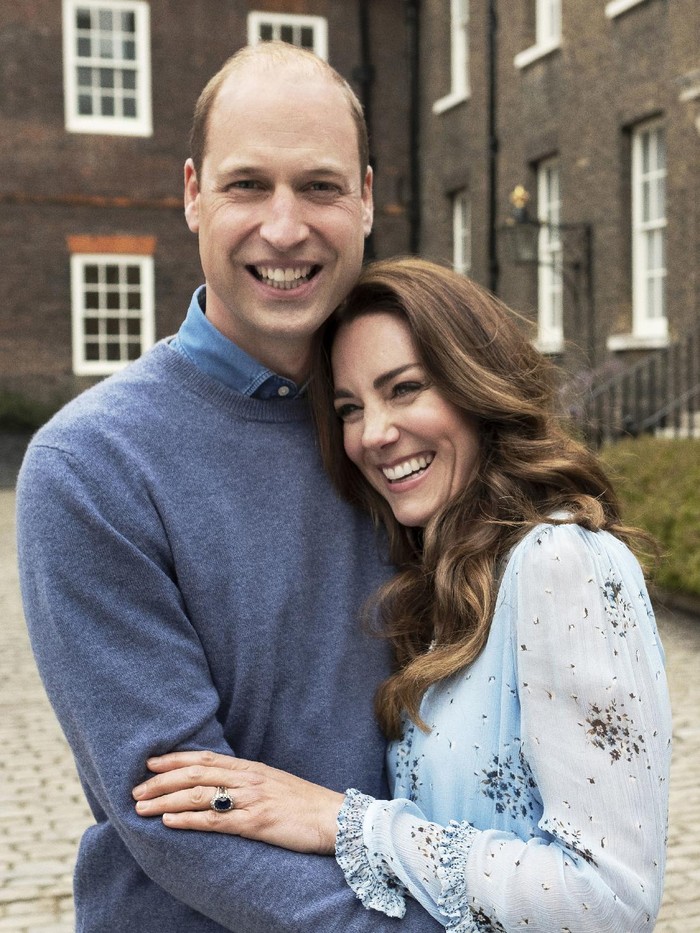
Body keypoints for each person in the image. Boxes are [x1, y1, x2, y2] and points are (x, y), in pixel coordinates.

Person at [16, 47, 443, 931]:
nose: (285, 229)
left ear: (365, 196)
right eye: (247, 184)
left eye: (320, 188)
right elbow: (178, 816)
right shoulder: (91, 466)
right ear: (191, 193)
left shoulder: (410, 434)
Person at [131, 258, 673, 932]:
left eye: (405, 387)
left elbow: (609, 901)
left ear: (478, 387)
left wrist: (340, 819)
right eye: (350, 408)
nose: (374, 434)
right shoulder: (448, 579)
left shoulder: (564, 563)